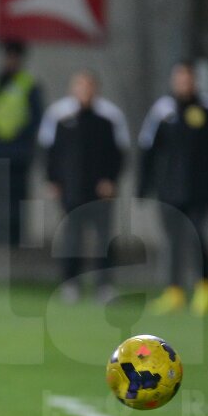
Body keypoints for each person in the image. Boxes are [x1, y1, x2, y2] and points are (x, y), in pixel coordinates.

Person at [138, 61, 208, 316]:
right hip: (169, 188)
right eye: (179, 78)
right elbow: (147, 149)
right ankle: (174, 292)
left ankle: (204, 288)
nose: (184, 82)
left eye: (188, 78)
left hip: (202, 189)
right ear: (173, 80)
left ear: (195, 81)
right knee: (172, 240)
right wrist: (143, 186)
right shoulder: (162, 110)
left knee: (196, 234)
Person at [37, 70, 130, 304]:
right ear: (73, 89)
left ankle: (104, 286)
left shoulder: (110, 117)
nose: (84, 91)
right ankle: (71, 283)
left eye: (88, 86)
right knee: (71, 238)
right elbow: (49, 152)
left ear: (96, 89)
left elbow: (119, 153)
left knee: (103, 240)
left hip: (101, 190)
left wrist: (111, 179)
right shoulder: (59, 115)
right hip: (71, 188)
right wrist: (53, 180)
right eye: (80, 86)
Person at [0, 39, 44, 247]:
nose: (10, 61)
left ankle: (15, 240)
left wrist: (22, 141)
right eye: (8, 56)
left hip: (19, 153)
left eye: (14, 57)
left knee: (16, 198)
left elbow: (35, 119)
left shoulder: (28, 84)